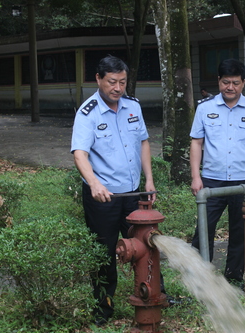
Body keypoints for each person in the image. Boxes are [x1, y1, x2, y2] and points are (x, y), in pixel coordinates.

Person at [70, 55, 157, 326]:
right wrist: (95, 183)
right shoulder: (88, 113)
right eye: (111, 82)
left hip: (133, 195)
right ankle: (103, 309)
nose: (117, 88)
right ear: (98, 79)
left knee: (146, 246)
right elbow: (80, 154)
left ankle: (154, 295)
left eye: (122, 82)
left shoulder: (133, 107)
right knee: (104, 253)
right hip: (104, 198)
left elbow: (143, 143)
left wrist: (149, 180)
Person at [189, 59, 245, 286]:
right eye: (226, 82)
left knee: (240, 232)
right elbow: (196, 142)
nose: (230, 87)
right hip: (212, 182)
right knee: (203, 230)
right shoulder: (205, 108)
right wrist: (196, 176)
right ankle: (200, 279)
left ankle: (234, 278)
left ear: (243, 83)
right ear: (218, 81)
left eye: (235, 83)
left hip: (244, 183)